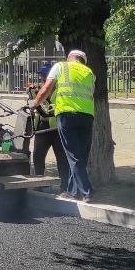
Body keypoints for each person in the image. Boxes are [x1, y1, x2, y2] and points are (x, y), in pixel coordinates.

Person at [31, 49, 95, 201]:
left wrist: (34, 104)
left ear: (69, 57)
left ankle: (87, 191)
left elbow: (46, 88)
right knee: (81, 156)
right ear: (82, 60)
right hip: (87, 116)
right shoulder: (90, 73)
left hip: (67, 115)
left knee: (73, 155)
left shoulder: (61, 66)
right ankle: (73, 192)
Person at [29, 63, 67, 190]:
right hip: (41, 128)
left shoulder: (61, 90)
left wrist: (48, 108)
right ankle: (38, 184)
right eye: (42, 76)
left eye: (46, 75)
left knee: (62, 159)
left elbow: (59, 107)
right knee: (38, 157)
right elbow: (34, 106)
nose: (44, 78)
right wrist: (32, 96)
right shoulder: (39, 90)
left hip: (56, 129)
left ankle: (65, 186)